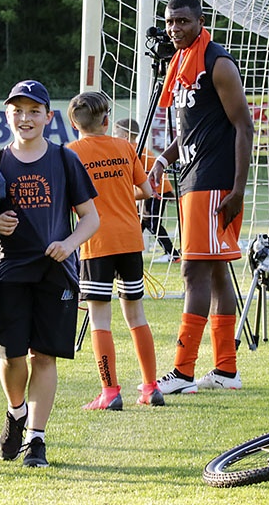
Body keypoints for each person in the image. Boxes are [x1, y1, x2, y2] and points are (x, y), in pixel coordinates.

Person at [0, 80, 99, 467]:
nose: (25, 118)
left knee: (44, 357)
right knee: (12, 355)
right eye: (18, 110)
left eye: (34, 111)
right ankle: (16, 414)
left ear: (48, 116)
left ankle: (37, 440)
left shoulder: (65, 160)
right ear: (7, 114)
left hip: (55, 271)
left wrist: (69, 243)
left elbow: (91, 219)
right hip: (12, 273)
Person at [148, 0, 255, 395]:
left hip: (214, 180)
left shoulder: (217, 62)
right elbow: (190, 131)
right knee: (213, 271)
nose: (175, 28)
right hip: (192, 175)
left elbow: (243, 126)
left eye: (183, 22)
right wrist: (163, 158)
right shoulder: (179, 63)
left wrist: (238, 189)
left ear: (200, 21)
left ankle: (183, 371)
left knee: (193, 270)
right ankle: (226, 371)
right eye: (171, 21)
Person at [67, 93, 164, 409]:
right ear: (107, 121)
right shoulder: (125, 147)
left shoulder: (71, 153)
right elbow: (147, 191)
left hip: (96, 242)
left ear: (73, 123)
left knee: (100, 318)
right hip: (130, 239)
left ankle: (110, 392)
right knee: (136, 314)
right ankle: (151, 387)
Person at [115, 117, 181, 263]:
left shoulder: (131, 149)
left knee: (151, 222)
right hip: (152, 187)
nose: (114, 136)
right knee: (140, 221)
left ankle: (173, 254)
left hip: (156, 189)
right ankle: (129, 252)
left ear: (125, 135)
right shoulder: (136, 148)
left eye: (116, 133)